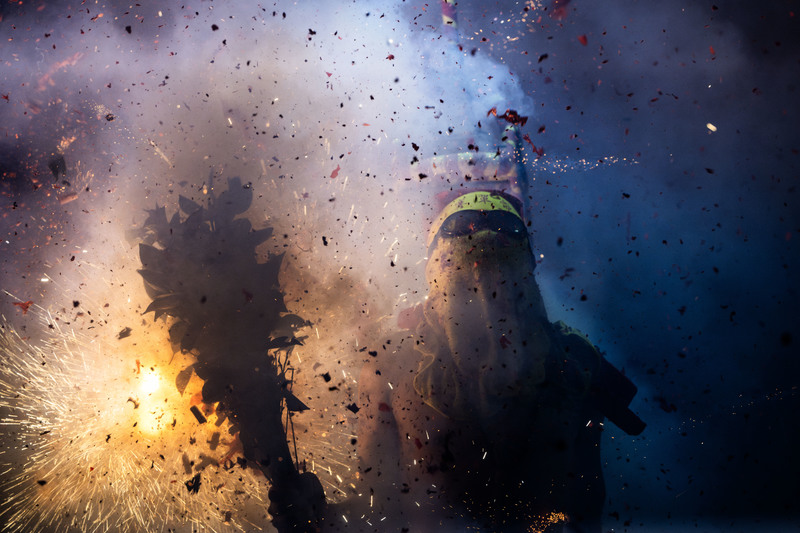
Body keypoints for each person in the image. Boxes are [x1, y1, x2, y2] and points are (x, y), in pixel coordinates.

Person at [356, 190, 644, 532]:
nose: (483, 237)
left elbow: (586, 502)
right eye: (463, 238)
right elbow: (372, 503)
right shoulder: (389, 362)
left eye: (502, 240)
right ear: (435, 268)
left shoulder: (575, 361)